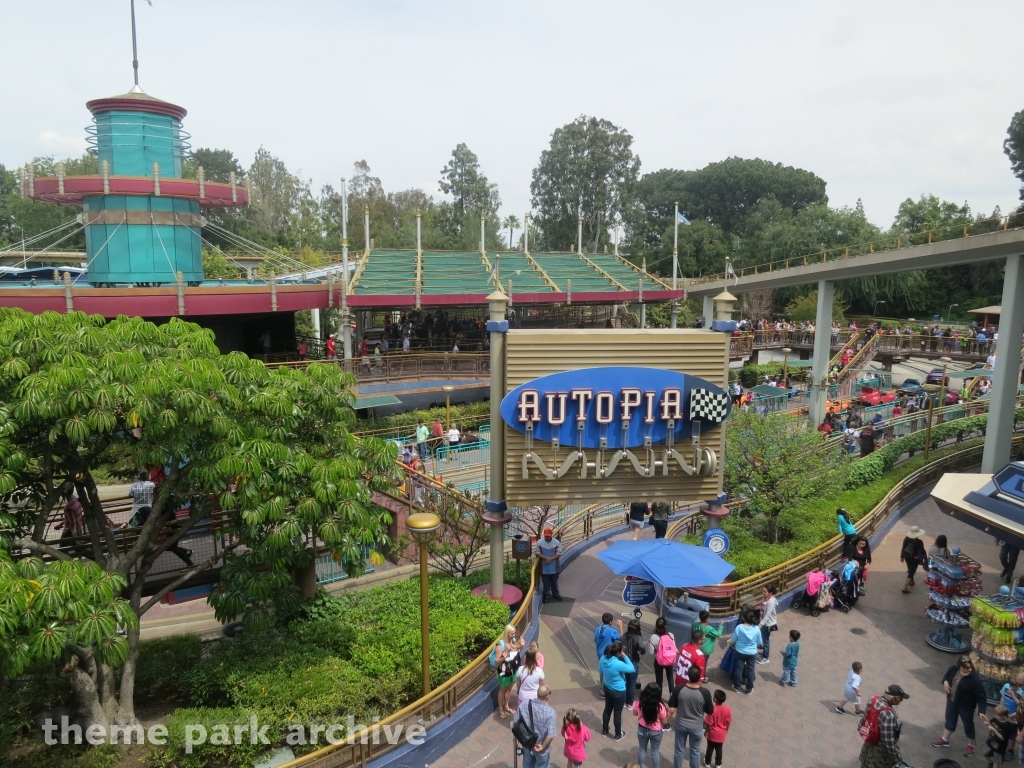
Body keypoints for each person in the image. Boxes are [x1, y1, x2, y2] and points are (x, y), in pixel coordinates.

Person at [933, 656, 988, 756]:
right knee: (950, 719)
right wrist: (945, 682)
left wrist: (981, 711)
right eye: (964, 668)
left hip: (966, 706)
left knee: (968, 724)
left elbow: (981, 697)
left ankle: (971, 744)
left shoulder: (975, 679)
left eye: (969, 668)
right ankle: (945, 739)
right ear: (959, 666)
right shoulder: (954, 668)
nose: (967, 670)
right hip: (952, 701)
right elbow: (946, 676)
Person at [667, 665, 714, 768]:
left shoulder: (679, 689)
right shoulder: (705, 693)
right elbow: (710, 710)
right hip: (696, 727)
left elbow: (671, 705)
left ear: (688, 675)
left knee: (679, 750)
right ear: (699, 677)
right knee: (695, 751)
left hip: (681, 725)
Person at [858, 685, 911, 768]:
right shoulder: (888, 714)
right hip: (879, 753)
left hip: (868, 743)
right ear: (894, 699)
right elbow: (887, 741)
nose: (901, 700)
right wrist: (897, 757)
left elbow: (865, 718)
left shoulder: (873, 699)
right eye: (900, 698)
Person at [511, 684, 557, 768]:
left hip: (527, 744)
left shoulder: (525, 703)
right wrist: (542, 747)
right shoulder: (551, 712)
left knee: (527, 765)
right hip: (542, 748)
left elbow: (515, 722)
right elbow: (550, 735)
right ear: (547, 696)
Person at [599, 641, 635, 740]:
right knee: (617, 713)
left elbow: (600, 670)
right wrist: (625, 656)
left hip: (607, 687)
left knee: (607, 709)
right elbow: (632, 669)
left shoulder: (602, 658)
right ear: (619, 652)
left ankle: (605, 730)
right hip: (619, 691)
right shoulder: (618, 663)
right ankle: (618, 734)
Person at [633, 681, 669, 768]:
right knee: (655, 752)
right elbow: (664, 722)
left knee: (642, 749)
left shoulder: (640, 701)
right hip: (656, 731)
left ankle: (641, 766)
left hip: (642, 729)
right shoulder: (660, 706)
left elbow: (635, 713)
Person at [730, 607, 762, 695]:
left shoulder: (739, 628)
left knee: (739, 669)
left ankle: (737, 687)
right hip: (752, 653)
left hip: (740, 651)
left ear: (743, 618)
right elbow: (759, 642)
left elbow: (733, 639)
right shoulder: (756, 629)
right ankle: (749, 689)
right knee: (751, 670)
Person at [492, 624, 523, 717]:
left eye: (514, 633)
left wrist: (521, 645)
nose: (514, 636)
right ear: (507, 633)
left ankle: (506, 706)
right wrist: (503, 658)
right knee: (502, 690)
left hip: (513, 669)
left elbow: (517, 649)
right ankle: (501, 709)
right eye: (512, 634)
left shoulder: (513, 641)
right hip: (504, 672)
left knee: (509, 689)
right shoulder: (500, 645)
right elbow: (496, 661)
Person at [703, 689, 732, 768]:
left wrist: (706, 732)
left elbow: (709, 723)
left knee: (710, 748)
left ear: (715, 699)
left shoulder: (712, 710)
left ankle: (707, 763)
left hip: (712, 733)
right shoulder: (727, 709)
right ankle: (718, 764)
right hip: (721, 734)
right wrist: (726, 730)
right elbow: (728, 721)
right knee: (719, 749)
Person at [647, 616, 677, 694]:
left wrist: (649, 644)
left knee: (659, 679)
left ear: (656, 625)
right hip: (669, 660)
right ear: (665, 625)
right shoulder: (670, 635)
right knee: (670, 678)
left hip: (658, 661)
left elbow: (650, 652)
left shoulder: (653, 637)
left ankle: (658, 697)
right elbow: (674, 648)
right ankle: (672, 695)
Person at [595, 613, 624, 691]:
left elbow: (595, 640)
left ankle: (602, 687)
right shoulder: (611, 630)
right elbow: (621, 639)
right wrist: (621, 626)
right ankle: (605, 690)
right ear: (610, 622)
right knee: (608, 671)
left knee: (602, 670)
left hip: (599, 653)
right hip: (608, 653)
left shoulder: (597, 629)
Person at [691, 611, 723, 679]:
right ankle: (703, 676)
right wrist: (721, 626)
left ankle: (694, 674)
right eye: (708, 617)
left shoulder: (695, 624)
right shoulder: (709, 628)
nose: (709, 618)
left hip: (696, 647)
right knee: (703, 664)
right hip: (705, 650)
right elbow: (718, 634)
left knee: (695, 662)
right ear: (706, 619)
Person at [535, 528, 563, 603]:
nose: (547, 537)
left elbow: (559, 553)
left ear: (551, 535)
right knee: (545, 582)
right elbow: (537, 552)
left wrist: (550, 559)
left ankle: (556, 594)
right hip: (544, 567)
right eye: (546, 536)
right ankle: (547, 596)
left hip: (554, 567)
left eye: (548, 536)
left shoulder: (557, 542)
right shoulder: (539, 542)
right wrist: (546, 558)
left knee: (554, 581)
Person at [622, 620, 646, 706]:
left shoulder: (625, 636)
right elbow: (642, 649)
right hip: (634, 662)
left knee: (626, 681)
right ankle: (630, 702)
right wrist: (640, 652)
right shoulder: (638, 637)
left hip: (625, 661)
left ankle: (624, 701)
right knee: (632, 683)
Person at [900, 526, 926, 593]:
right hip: (914, 558)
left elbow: (903, 547)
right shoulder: (919, 542)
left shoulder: (906, 539)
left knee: (910, 568)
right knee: (911, 571)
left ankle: (911, 581)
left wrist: (902, 556)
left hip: (907, 557)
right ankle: (905, 587)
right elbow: (921, 551)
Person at [756, 585, 778, 664]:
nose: (763, 593)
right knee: (763, 638)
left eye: (765, 592)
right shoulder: (766, 599)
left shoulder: (771, 601)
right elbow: (764, 608)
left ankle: (766, 657)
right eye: (763, 591)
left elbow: (767, 615)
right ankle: (764, 653)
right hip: (763, 622)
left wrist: (760, 625)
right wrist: (759, 607)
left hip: (767, 624)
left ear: (770, 593)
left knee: (765, 640)